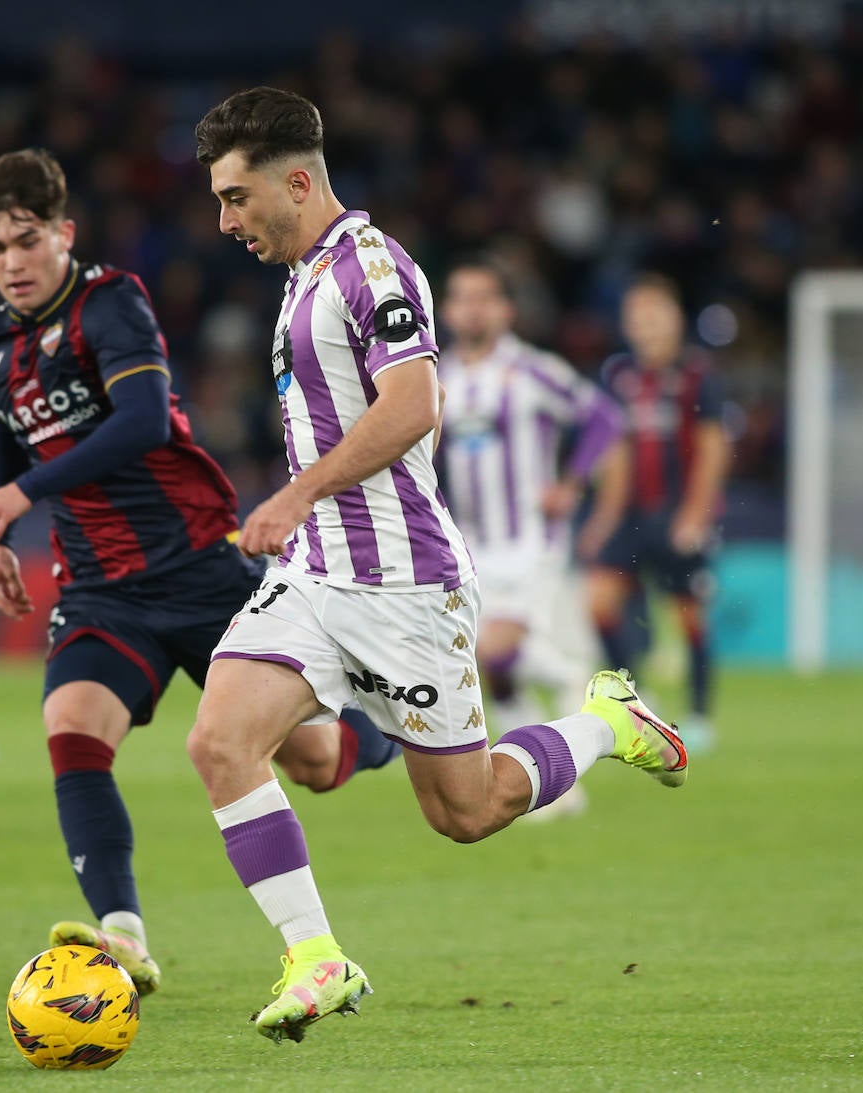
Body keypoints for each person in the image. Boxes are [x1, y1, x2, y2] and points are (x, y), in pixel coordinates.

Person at [189, 86, 689, 1045]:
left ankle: (603, 722)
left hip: (406, 587)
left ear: (297, 181)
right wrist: (299, 520)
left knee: (465, 812)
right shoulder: (301, 276)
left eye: (237, 197)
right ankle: (314, 957)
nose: (225, 221)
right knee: (218, 742)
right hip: (314, 578)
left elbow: (414, 405)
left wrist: (295, 494)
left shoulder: (370, 269)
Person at [0, 148, 400, 997]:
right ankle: (123, 937)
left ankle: (395, 729)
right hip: (98, 588)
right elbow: (11, 430)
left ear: (63, 234)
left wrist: (20, 492)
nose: (11, 261)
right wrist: (3, 526)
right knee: (72, 730)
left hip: (198, 566)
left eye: (26, 239)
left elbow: (144, 421)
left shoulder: (110, 303)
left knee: (312, 758)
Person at [437, 254, 629, 819]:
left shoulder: (532, 370)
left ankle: (584, 693)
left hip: (530, 544)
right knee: (489, 668)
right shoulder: (437, 376)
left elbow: (603, 418)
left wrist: (571, 481)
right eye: (462, 297)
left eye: (484, 297)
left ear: (504, 309)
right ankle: (552, 787)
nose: (473, 308)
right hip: (471, 545)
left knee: (491, 649)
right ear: (447, 310)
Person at [587, 273, 730, 754]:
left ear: (675, 318)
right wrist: (604, 519)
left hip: (677, 512)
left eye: (654, 314)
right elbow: (615, 453)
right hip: (630, 516)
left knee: (689, 616)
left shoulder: (697, 374)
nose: (645, 325)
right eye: (636, 317)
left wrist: (695, 515)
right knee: (599, 602)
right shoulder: (617, 375)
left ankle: (699, 713)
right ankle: (638, 699)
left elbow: (713, 448)